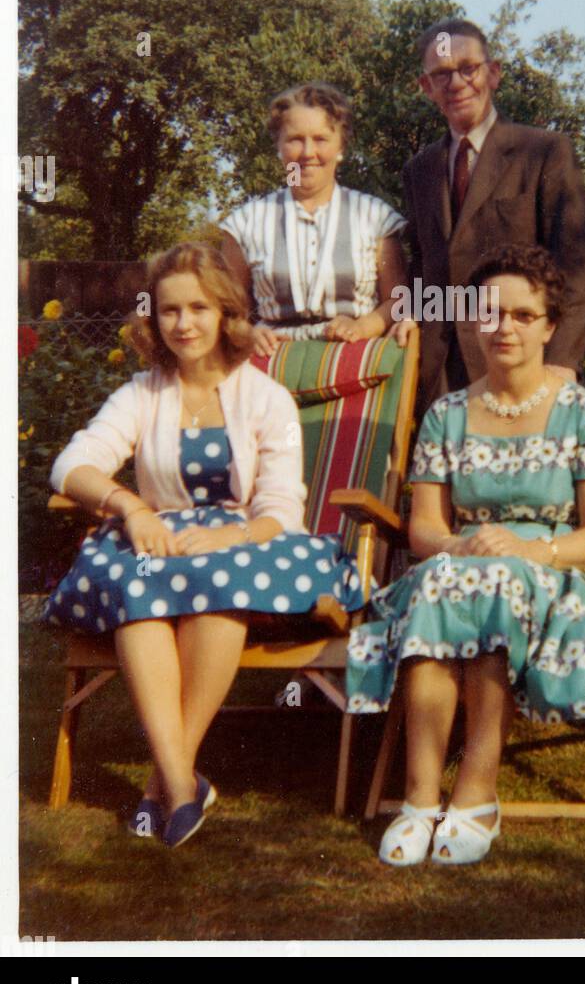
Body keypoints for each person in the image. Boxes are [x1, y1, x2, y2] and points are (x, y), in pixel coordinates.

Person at [44, 242, 364, 849]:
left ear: (225, 314)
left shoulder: (265, 398)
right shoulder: (143, 393)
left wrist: (229, 534)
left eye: (198, 308)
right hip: (162, 543)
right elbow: (72, 465)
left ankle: (158, 783)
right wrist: (132, 507)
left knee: (220, 582)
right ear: (154, 318)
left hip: (246, 544)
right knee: (138, 590)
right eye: (169, 311)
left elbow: (279, 509)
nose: (183, 324)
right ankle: (182, 784)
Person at [346, 245, 585, 866]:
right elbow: (425, 527)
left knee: (494, 585)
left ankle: (475, 794)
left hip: (559, 569)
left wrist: (532, 550)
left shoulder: (583, 414)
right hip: (467, 564)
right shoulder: (447, 414)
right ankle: (421, 798)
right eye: (490, 312)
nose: (503, 326)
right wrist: (459, 547)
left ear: (549, 326)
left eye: (522, 315)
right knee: (438, 584)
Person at [403, 19, 585, 414]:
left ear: (493, 73)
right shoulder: (418, 170)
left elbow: (576, 267)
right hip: (440, 372)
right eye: (441, 74)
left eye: (468, 68)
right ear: (427, 88)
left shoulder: (543, 152)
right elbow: (422, 266)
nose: (456, 83)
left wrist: (561, 361)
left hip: (523, 359)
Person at [219, 82, 415, 358]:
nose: (308, 152)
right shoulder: (244, 224)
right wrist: (247, 331)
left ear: (341, 146)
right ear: (279, 146)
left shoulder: (375, 217)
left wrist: (361, 327)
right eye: (295, 139)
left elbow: (398, 300)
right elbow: (227, 309)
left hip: (356, 361)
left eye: (321, 139)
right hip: (268, 365)